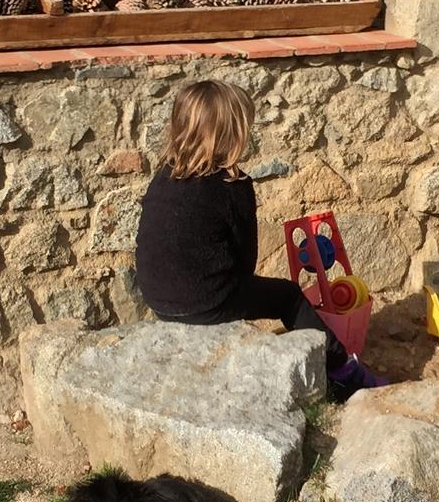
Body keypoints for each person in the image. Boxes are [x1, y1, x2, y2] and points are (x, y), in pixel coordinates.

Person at [135, 79, 386, 400]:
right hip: (206, 302)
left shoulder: (163, 175)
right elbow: (245, 263)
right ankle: (344, 372)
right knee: (289, 296)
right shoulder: (232, 184)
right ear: (232, 135)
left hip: (158, 300)